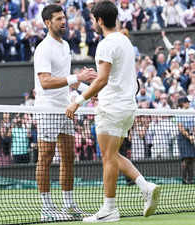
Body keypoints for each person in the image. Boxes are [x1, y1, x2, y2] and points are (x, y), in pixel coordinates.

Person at [65, 1, 160, 222]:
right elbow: (118, 79)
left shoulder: (106, 45)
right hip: (127, 107)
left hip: (111, 108)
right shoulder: (125, 41)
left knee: (108, 158)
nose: (92, 24)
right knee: (113, 155)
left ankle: (109, 209)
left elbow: (102, 79)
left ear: (99, 21)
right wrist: (97, 89)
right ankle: (145, 187)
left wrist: (77, 101)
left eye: (93, 20)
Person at [33, 4, 97, 221]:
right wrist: (78, 78)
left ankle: (68, 205)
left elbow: (65, 78)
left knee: (69, 156)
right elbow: (45, 82)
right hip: (47, 108)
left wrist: (88, 91)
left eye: (64, 18)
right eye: (58, 19)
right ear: (47, 23)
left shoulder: (65, 45)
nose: (63, 22)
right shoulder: (43, 48)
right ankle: (46, 208)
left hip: (65, 107)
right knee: (46, 157)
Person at [176, 96, 195, 184]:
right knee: (185, 159)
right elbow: (180, 127)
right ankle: (184, 180)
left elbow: (194, 125)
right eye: (187, 102)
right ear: (183, 103)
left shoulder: (191, 111)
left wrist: (193, 135)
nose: (188, 103)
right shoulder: (179, 112)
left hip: (190, 135)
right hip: (183, 137)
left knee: (191, 158)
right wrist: (189, 136)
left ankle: (191, 179)